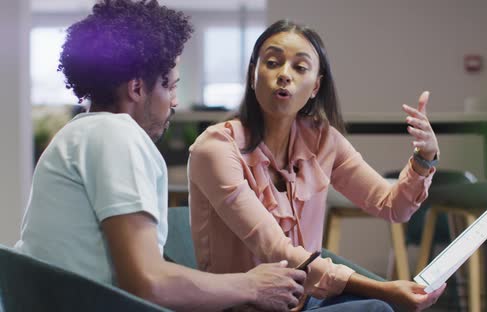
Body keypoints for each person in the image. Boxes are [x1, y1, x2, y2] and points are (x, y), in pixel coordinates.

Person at [14, 2, 307, 311]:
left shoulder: (78, 135)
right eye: (171, 86)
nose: (174, 101)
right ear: (138, 88)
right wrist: (251, 286)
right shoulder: (116, 136)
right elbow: (147, 283)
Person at [188, 19, 446, 311]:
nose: (284, 75)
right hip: (242, 305)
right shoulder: (216, 147)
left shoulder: (322, 140)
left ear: (315, 86)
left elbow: (392, 207)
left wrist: (424, 158)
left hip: (303, 300)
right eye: (272, 63)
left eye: (300, 68)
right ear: (252, 74)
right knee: (378, 307)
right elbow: (274, 249)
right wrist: (384, 289)